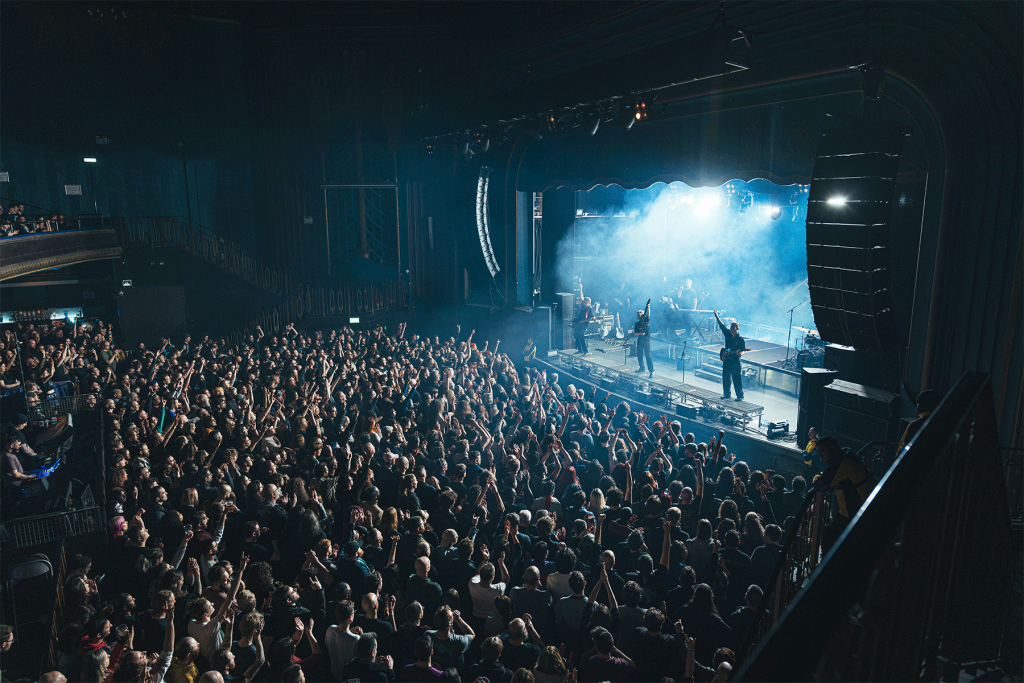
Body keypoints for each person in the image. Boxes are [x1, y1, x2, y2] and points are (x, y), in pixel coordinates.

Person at [813, 436, 878, 550]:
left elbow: (821, 485)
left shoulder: (842, 465)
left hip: (857, 513)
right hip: (867, 508)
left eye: (822, 451)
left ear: (832, 449)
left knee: (829, 535)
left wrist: (816, 477)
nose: (820, 456)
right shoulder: (847, 455)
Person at [714, 311, 746, 401]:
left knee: (737, 379)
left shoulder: (740, 340)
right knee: (726, 378)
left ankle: (740, 396)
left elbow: (743, 350)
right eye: (731, 327)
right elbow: (722, 326)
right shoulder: (727, 334)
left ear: (737, 328)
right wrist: (717, 317)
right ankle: (726, 394)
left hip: (735, 361)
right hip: (727, 360)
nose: (731, 329)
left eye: (733, 328)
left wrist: (740, 354)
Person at [633, 298, 653, 377]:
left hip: (646, 339)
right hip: (640, 339)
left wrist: (648, 307)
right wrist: (640, 333)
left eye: (640, 313)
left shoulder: (646, 320)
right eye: (637, 313)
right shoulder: (637, 323)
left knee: (648, 355)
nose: (638, 314)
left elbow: (648, 315)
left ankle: (651, 370)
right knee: (639, 354)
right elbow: (635, 333)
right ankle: (642, 368)